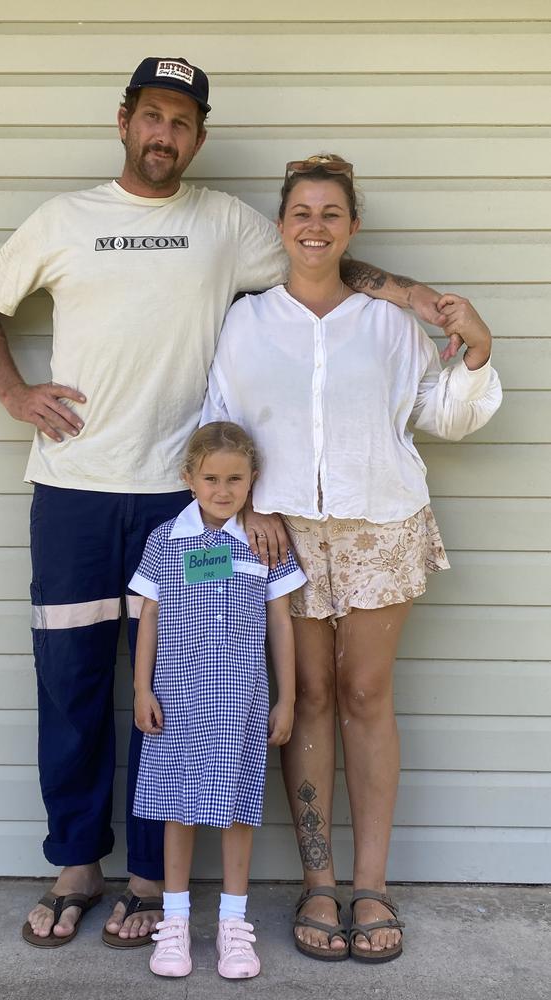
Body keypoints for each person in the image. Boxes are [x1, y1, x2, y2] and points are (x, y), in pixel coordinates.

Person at [0, 51, 467, 949]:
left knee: (180, 693)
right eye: (151, 116)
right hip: (74, 491)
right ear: (124, 121)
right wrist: (13, 394)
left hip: (185, 505)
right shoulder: (64, 219)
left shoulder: (228, 224)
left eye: (182, 122)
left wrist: (413, 295)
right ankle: (77, 865)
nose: (165, 135)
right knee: (73, 686)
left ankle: (153, 879)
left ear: (199, 136)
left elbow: (328, 257)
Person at [202, 154, 503, 963]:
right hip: (284, 533)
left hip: (380, 520)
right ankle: (319, 881)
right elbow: (220, 420)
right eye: (301, 211)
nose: (314, 225)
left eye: (331, 213)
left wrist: (473, 350)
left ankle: (370, 882)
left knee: (367, 693)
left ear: (353, 228)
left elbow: (443, 415)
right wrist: (251, 500)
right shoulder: (248, 320)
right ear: (282, 224)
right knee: (307, 699)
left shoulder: (390, 322)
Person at [129, 422, 305, 978]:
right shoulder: (166, 540)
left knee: (235, 810)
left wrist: (288, 697)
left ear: (253, 481)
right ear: (189, 478)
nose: (223, 490)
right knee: (176, 809)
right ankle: (175, 923)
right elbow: (149, 616)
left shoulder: (264, 545)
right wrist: (140, 687)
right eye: (211, 478)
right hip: (177, 700)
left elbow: (280, 621)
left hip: (240, 703)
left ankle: (234, 925)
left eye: (235, 479)